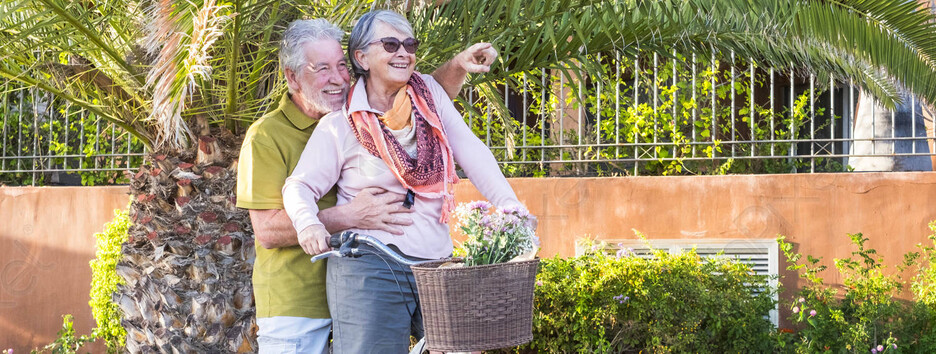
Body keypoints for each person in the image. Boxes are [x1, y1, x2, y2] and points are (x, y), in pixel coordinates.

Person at [235, 18, 498, 354]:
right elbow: (268, 231)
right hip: (300, 303)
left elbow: (428, 94)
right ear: (292, 76)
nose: (337, 78)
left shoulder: (365, 114)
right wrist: (349, 216)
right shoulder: (268, 135)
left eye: (341, 66)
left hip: (362, 281)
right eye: (322, 68)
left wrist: (458, 65)